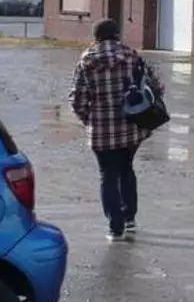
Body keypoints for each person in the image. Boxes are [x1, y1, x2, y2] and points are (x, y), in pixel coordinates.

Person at [68, 18, 164, 242]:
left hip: (101, 130)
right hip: (131, 127)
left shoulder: (86, 61)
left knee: (107, 175)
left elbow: (77, 97)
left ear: (96, 37)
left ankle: (115, 227)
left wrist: (88, 118)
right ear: (117, 35)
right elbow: (157, 85)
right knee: (126, 169)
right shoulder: (131, 56)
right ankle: (130, 219)